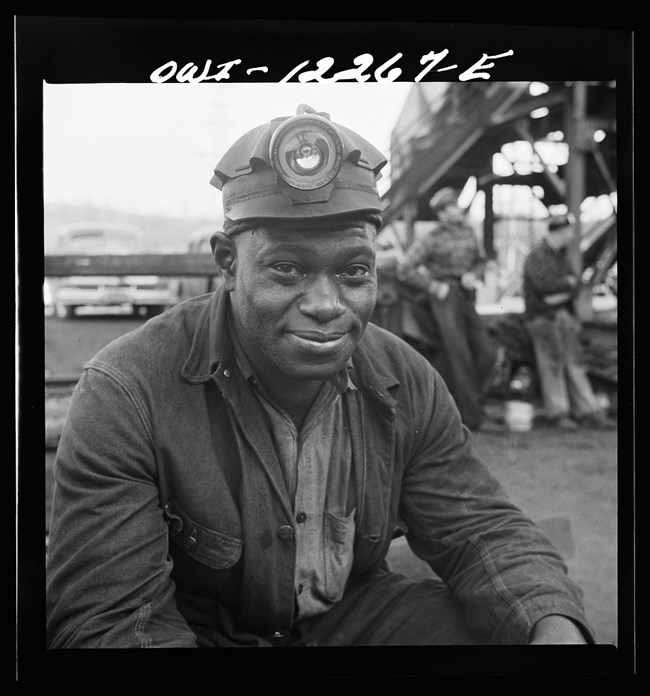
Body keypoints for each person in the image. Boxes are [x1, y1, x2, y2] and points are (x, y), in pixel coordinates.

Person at [46, 105, 593, 650]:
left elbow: (480, 530)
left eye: (354, 270)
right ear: (228, 263)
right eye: (287, 269)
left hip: (354, 618)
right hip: (201, 633)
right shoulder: (129, 391)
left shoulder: (407, 380)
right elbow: (112, 623)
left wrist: (554, 628)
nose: (328, 305)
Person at [396, 187, 498, 431]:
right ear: (441, 213)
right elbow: (405, 269)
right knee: (459, 355)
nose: (457, 209)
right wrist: (433, 286)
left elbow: (481, 262)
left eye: (456, 205)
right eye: (451, 206)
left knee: (487, 353)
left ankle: (461, 406)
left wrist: (474, 275)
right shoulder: (432, 238)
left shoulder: (469, 232)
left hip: (466, 296)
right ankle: (472, 417)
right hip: (445, 298)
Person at [522, 214, 616, 431]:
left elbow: (576, 285)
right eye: (568, 231)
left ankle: (588, 411)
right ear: (559, 231)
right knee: (552, 364)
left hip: (563, 315)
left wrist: (565, 288)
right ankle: (558, 413)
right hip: (542, 317)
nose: (572, 235)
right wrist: (566, 286)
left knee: (575, 362)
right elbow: (545, 291)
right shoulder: (536, 257)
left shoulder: (560, 257)